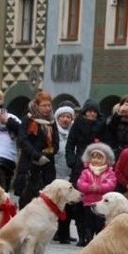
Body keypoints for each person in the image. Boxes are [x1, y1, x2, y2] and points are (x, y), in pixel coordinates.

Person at [15, 90, 58, 207]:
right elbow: (23, 140)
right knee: (26, 201)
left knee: (45, 201)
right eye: (44, 105)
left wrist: (46, 155)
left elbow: (55, 144)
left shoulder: (52, 122)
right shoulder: (28, 120)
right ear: (37, 105)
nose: (47, 108)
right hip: (29, 164)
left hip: (46, 166)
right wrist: (37, 156)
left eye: (49, 105)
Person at [75, 142, 117, 247]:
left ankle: (99, 241)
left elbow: (111, 184)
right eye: (93, 157)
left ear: (106, 160)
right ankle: (88, 239)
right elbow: (80, 183)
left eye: (99, 158)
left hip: (102, 204)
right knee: (88, 224)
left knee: (100, 224)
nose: (96, 160)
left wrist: (99, 188)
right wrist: (89, 187)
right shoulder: (86, 172)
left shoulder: (109, 173)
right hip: (88, 203)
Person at [53, 105, 76, 244]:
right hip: (55, 172)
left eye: (68, 117)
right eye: (63, 116)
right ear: (58, 118)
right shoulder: (54, 131)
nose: (66, 119)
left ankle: (64, 232)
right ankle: (56, 231)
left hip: (69, 173)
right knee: (56, 203)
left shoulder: (74, 133)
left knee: (68, 205)